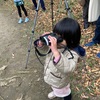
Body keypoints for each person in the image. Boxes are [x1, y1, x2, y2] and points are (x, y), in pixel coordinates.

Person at [36, 17, 86, 100]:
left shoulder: (72, 53)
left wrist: (56, 52)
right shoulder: (56, 45)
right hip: (51, 76)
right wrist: (42, 42)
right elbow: (46, 50)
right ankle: (56, 92)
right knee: (54, 87)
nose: (56, 39)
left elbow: (69, 67)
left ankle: (66, 97)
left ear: (71, 40)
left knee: (65, 92)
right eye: (55, 34)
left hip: (60, 81)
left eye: (60, 38)